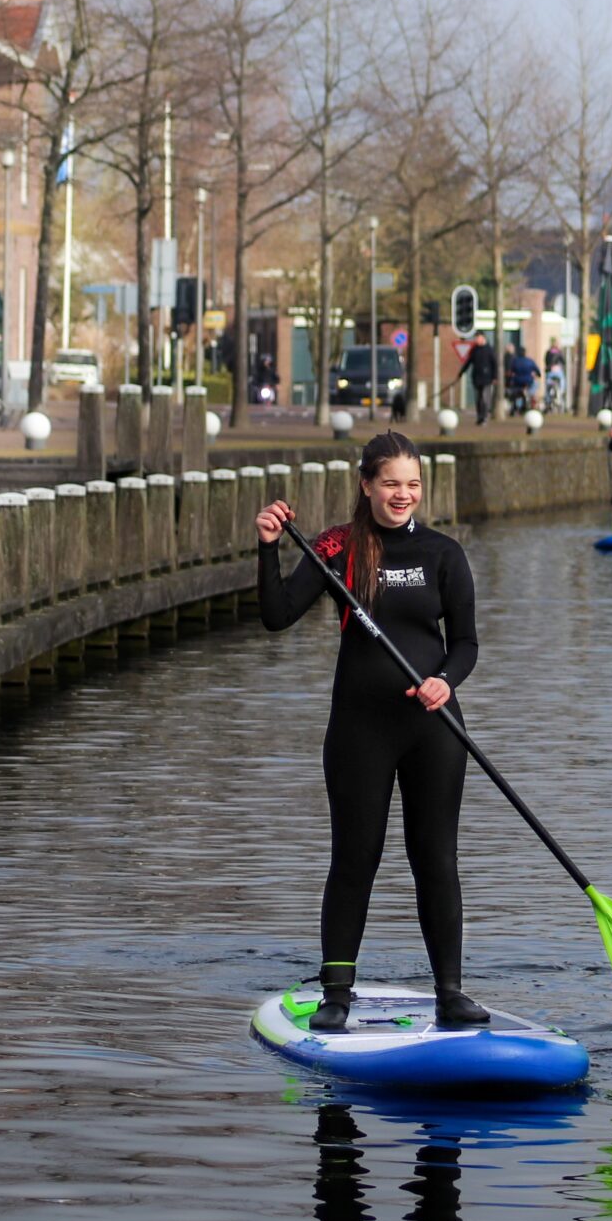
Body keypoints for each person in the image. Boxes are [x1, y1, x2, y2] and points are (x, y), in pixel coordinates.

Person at [256, 430, 490, 1031]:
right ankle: (337, 993)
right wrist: (266, 549)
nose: (402, 494)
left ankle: (450, 993)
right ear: (366, 485)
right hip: (360, 730)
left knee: (435, 858)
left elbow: (464, 643)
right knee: (355, 858)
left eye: (412, 484)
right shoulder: (338, 549)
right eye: (391, 483)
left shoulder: (444, 554)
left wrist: (445, 680)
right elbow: (277, 615)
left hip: (433, 728)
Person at [463, 334, 499, 426]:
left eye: (478, 338)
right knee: (478, 399)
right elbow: (469, 361)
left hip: (487, 378)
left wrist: (495, 377)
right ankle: (479, 417)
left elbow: (494, 364)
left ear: (483, 338)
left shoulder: (489, 350)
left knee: (484, 398)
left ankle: (484, 417)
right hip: (476, 378)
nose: (476, 340)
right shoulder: (475, 350)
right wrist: (461, 372)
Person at [507, 345, 540, 416]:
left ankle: (515, 407)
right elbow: (537, 371)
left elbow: (511, 371)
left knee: (515, 392)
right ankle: (533, 403)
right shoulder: (530, 361)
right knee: (535, 386)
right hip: (528, 382)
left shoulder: (514, 361)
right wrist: (538, 375)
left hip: (517, 382)